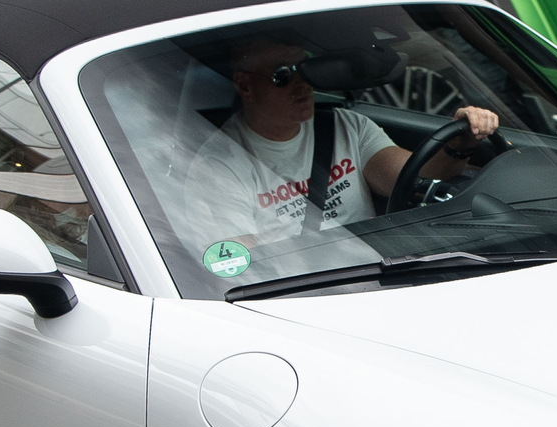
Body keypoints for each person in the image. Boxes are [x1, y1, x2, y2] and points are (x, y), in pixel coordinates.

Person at [177, 35, 499, 275]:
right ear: (245, 86)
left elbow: (414, 175)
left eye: (306, 70)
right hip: (301, 289)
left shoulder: (345, 126)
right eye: (283, 75)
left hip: (380, 273)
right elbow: (235, 263)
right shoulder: (219, 163)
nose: (302, 85)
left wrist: (462, 141)